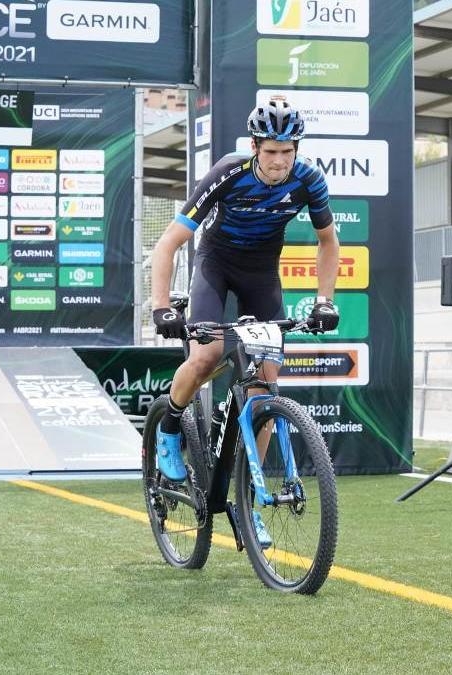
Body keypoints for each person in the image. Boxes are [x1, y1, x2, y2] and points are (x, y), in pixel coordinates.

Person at [148, 99, 341, 547]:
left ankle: (249, 501)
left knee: (265, 384)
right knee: (208, 355)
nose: (279, 161)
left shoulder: (308, 179)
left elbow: (328, 242)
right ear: (255, 146)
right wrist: (162, 307)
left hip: (262, 274)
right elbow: (169, 243)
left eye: (287, 151)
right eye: (271, 151)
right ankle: (171, 430)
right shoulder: (229, 172)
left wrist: (325, 300)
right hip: (215, 265)